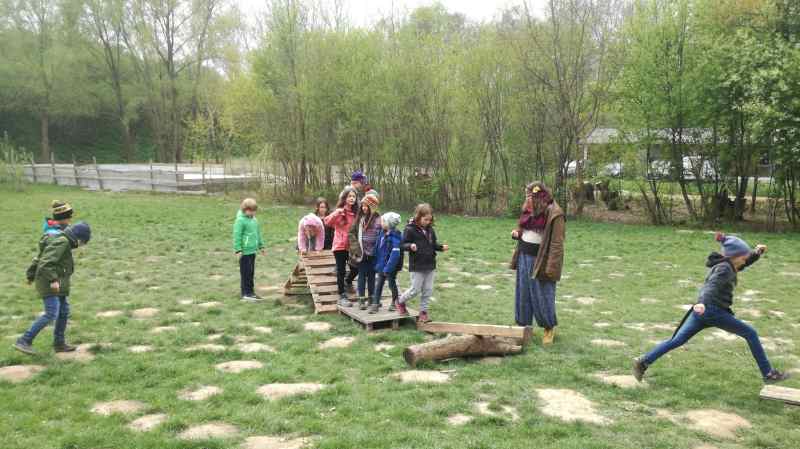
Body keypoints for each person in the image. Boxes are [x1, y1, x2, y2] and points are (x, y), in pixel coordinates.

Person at [633, 233, 790, 384]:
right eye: (744, 257)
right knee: (751, 333)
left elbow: (743, 264)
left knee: (677, 340)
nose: (744, 260)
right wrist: (702, 302)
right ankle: (768, 374)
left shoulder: (729, 264)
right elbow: (710, 286)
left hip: (702, 312)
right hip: (712, 311)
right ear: (734, 257)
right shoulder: (724, 269)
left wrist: (756, 253)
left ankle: (643, 362)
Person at [15, 222, 92, 355]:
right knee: (51, 313)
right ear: (79, 238)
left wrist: (30, 275)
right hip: (49, 282)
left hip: (57, 282)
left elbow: (40, 257)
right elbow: (46, 262)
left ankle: (59, 343)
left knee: (64, 311)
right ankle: (24, 340)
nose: (82, 245)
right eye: (83, 242)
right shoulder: (62, 242)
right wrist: (53, 280)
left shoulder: (62, 240)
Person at [510, 182, 565, 345]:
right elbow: (524, 229)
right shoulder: (529, 209)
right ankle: (524, 327)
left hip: (541, 261)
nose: (526, 200)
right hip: (524, 256)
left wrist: (551, 268)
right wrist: (518, 233)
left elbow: (557, 244)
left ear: (538, 197)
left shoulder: (555, 213)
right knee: (523, 293)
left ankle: (548, 328)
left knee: (542, 295)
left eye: (529, 197)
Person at [396, 203, 448, 323]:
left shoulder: (430, 230)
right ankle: (400, 301)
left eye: (430, 220)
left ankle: (423, 312)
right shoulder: (410, 229)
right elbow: (402, 245)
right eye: (425, 219)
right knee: (415, 290)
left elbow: (433, 244)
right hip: (417, 266)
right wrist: (410, 246)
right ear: (418, 217)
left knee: (428, 290)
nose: (428, 222)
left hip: (430, 265)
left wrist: (441, 247)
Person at [324, 187, 358, 306]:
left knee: (356, 268)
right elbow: (327, 222)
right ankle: (342, 295)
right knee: (341, 270)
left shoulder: (357, 212)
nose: (352, 198)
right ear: (344, 198)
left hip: (352, 246)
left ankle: (347, 282)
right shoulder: (339, 212)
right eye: (349, 196)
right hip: (340, 246)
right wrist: (336, 213)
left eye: (354, 196)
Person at [348, 194, 382, 310]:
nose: (364, 208)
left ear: (373, 207)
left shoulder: (379, 219)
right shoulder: (359, 219)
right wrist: (355, 247)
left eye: (366, 206)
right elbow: (351, 233)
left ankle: (371, 298)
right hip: (362, 253)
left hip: (374, 254)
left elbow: (383, 233)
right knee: (362, 275)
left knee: (372, 276)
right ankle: (361, 300)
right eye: (362, 206)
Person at [233, 198, 265, 301]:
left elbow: (257, 233)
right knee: (245, 273)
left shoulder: (254, 220)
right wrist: (238, 250)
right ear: (245, 209)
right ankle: (245, 294)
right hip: (244, 252)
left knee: (251, 273)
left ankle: (251, 292)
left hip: (252, 251)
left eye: (254, 211)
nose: (253, 213)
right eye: (250, 211)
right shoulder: (240, 221)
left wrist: (261, 246)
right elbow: (237, 236)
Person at [372, 212, 403, 314]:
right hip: (382, 264)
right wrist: (375, 258)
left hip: (391, 266)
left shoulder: (395, 237)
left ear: (388, 224)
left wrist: (388, 268)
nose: (380, 222)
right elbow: (378, 247)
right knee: (379, 283)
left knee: (391, 283)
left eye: (382, 221)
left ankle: (395, 302)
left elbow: (395, 256)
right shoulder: (382, 233)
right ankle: (375, 303)